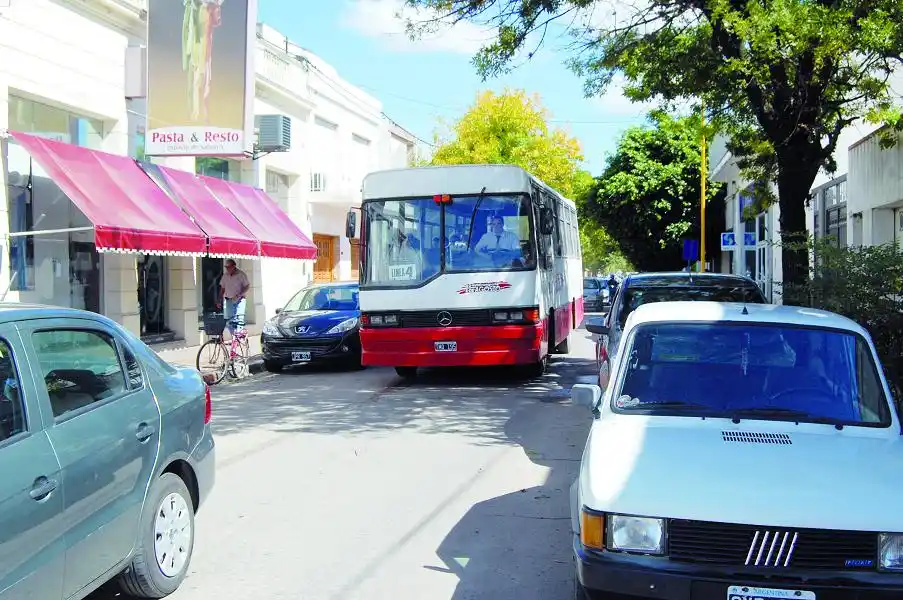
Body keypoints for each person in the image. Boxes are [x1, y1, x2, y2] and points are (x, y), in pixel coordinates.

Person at [216, 259, 250, 336]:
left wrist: (240, 294)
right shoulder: (225, 276)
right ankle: (234, 337)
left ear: (234, 266)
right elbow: (222, 288)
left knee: (239, 318)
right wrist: (219, 299)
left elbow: (247, 286)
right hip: (229, 300)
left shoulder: (241, 274)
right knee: (230, 321)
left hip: (240, 300)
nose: (227, 269)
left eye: (229, 267)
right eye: (226, 267)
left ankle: (239, 335)